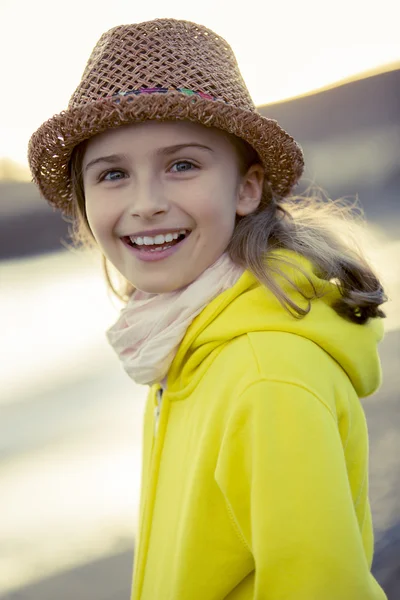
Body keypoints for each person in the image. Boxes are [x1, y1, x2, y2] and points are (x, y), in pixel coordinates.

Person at [28, 18, 388, 600]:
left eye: (183, 165)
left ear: (247, 189)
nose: (146, 204)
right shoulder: (181, 340)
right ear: (85, 202)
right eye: (113, 174)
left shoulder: (266, 375)